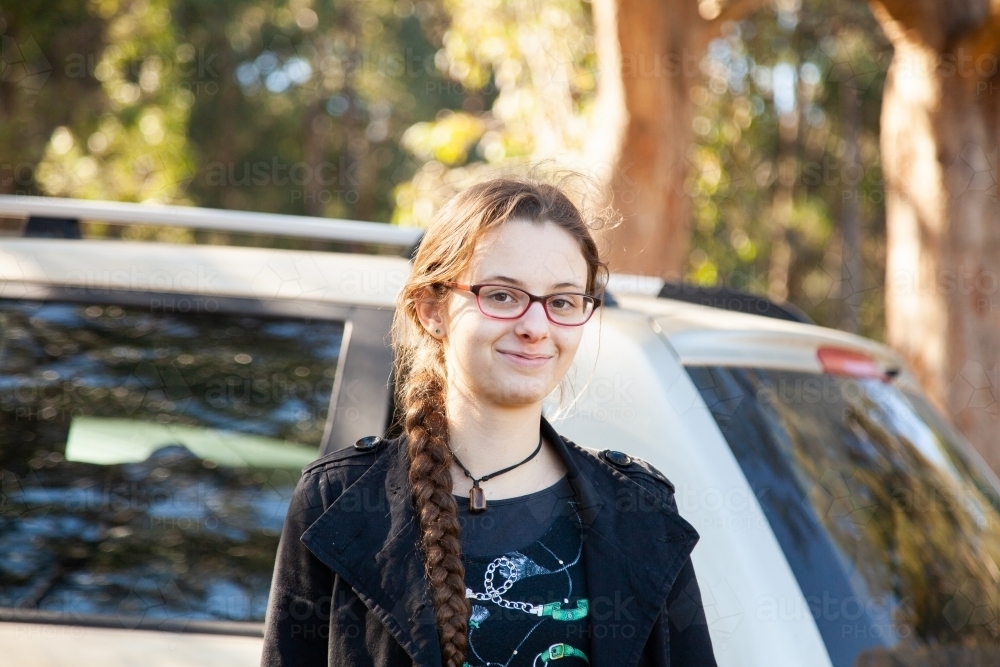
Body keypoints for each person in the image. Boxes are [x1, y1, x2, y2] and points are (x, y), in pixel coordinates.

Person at [261, 176, 717, 667]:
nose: (535, 327)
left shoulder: (638, 512)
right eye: (502, 295)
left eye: (562, 301)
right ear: (432, 310)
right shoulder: (338, 502)